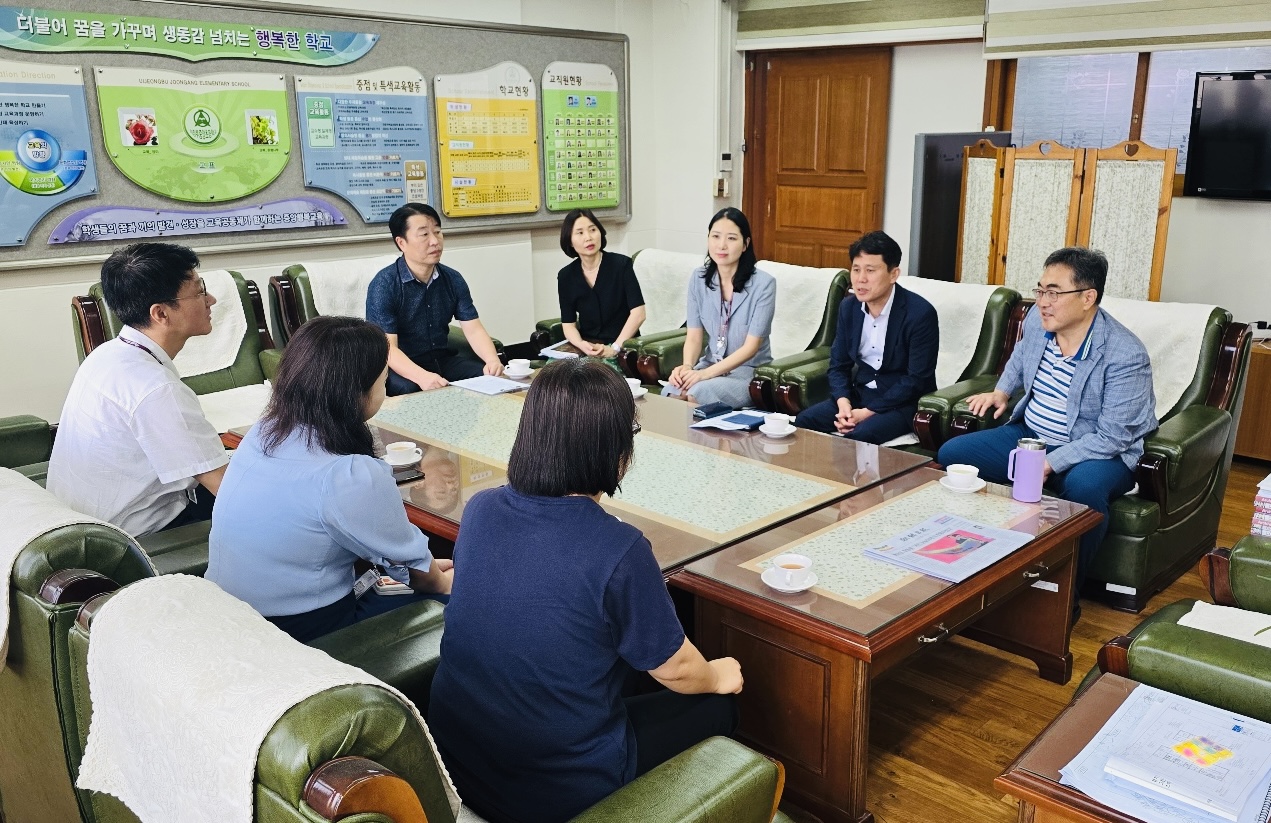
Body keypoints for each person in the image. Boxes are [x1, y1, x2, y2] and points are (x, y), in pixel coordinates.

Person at [430, 359, 743, 823]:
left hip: (456, 763)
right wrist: (719, 676)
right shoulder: (619, 549)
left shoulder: (481, 508)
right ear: (615, 451)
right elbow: (678, 670)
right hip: (555, 789)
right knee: (720, 706)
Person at [206, 316, 452, 643]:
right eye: (383, 379)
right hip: (298, 631)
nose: (385, 387)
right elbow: (424, 578)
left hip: (229, 614)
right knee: (469, 596)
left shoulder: (265, 431)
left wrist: (422, 564)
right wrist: (445, 582)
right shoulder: (347, 474)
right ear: (356, 392)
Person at [936, 247, 1156, 594]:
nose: (1042, 301)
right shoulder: (1037, 325)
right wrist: (1003, 392)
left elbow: (1113, 437)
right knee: (954, 454)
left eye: (1054, 292)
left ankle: (1066, 597)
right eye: (1040, 290)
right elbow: (1020, 356)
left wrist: (1049, 464)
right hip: (1032, 434)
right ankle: (981, 564)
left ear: (1088, 297)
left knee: (1084, 489)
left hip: (1097, 450)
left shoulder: (1125, 353)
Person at [47, 242, 228, 537]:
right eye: (199, 291)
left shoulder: (108, 354)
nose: (211, 299)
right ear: (161, 313)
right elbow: (226, 487)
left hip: (86, 522)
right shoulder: (156, 388)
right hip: (136, 539)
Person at [793, 231, 939, 443]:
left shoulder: (920, 314)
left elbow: (917, 379)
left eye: (870, 271)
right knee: (804, 421)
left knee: (859, 436)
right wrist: (844, 404)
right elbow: (838, 365)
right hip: (858, 395)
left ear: (893, 274)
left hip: (902, 402)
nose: (861, 279)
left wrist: (867, 412)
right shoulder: (848, 307)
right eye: (856, 269)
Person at [366, 203, 504, 395]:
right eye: (424, 235)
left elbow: (473, 329)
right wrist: (422, 376)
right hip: (400, 366)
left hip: (441, 359)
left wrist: (492, 361)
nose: (434, 241)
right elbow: (387, 348)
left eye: (438, 232)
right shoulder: (384, 284)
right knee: (410, 388)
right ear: (401, 243)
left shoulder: (452, 279)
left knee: (488, 376)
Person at [664, 207, 776, 408]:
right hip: (709, 363)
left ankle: (696, 441)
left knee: (697, 392)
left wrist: (703, 375)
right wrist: (687, 367)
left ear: (745, 244)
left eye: (732, 238)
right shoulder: (698, 279)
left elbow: (751, 348)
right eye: (715, 236)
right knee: (673, 390)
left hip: (748, 371)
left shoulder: (764, 284)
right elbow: (694, 336)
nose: (722, 245)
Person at [556, 208, 646, 358]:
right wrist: (580, 344)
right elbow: (568, 325)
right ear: (569, 241)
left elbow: (639, 313)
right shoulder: (566, 276)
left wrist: (615, 348)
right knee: (555, 373)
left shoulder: (621, 265)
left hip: (623, 347)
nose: (588, 237)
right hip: (588, 347)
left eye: (592, 230)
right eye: (580, 233)